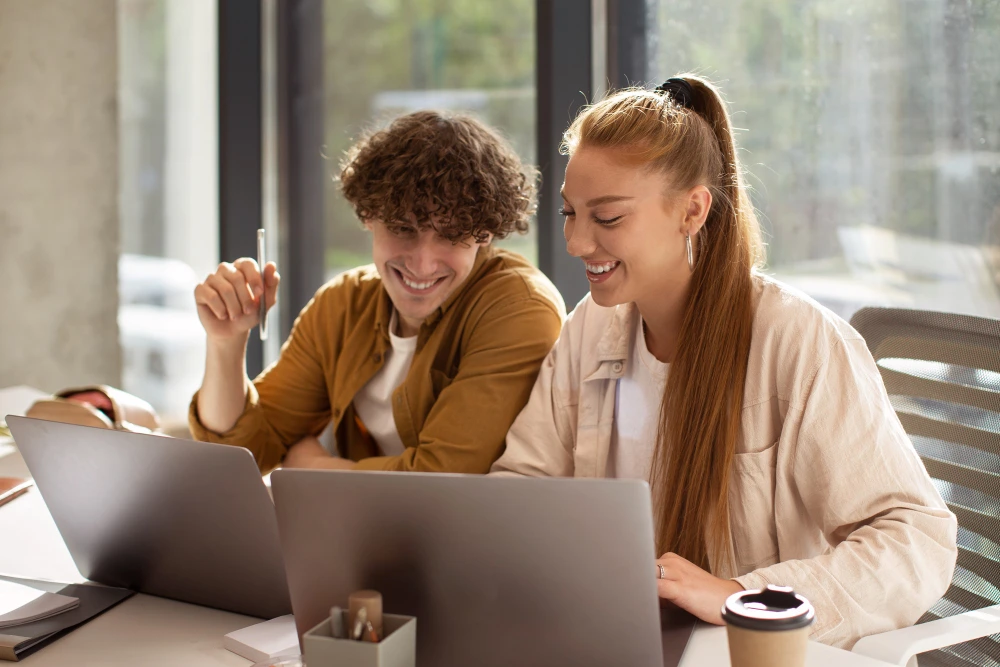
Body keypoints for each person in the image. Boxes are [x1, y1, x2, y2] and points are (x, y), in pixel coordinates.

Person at [490, 76, 957, 648]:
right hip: (618, 639)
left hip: (747, 652)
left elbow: (916, 540)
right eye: (569, 213)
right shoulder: (592, 325)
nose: (577, 242)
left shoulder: (797, 341)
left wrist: (742, 594)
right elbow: (521, 485)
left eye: (607, 219)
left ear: (692, 210)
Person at [189, 110, 565, 474]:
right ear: (369, 215)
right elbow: (238, 456)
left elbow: (447, 479)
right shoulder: (343, 304)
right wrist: (226, 342)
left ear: (484, 234)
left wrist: (315, 468)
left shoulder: (519, 308)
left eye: (451, 236)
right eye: (404, 228)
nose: (422, 263)